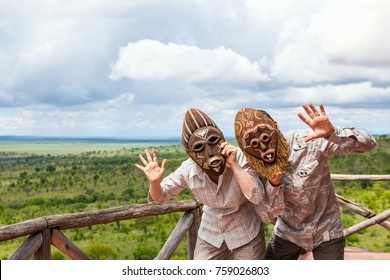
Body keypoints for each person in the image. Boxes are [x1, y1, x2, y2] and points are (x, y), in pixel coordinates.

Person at [234, 104, 377, 260]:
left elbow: (368, 145)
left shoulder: (310, 140)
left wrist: (332, 133)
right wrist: (273, 183)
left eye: (265, 137)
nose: (263, 147)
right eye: (254, 144)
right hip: (287, 233)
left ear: (276, 126)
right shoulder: (254, 164)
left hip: (326, 230)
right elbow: (267, 215)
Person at [135, 108, 276, 260]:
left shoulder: (239, 157)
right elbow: (159, 197)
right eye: (199, 147)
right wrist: (155, 182)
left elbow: (257, 196)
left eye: (213, 141)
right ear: (190, 154)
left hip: (246, 231)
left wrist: (234, 165)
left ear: (222, 140)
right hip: (211, 233)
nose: (209, 152)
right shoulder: (188, 170)